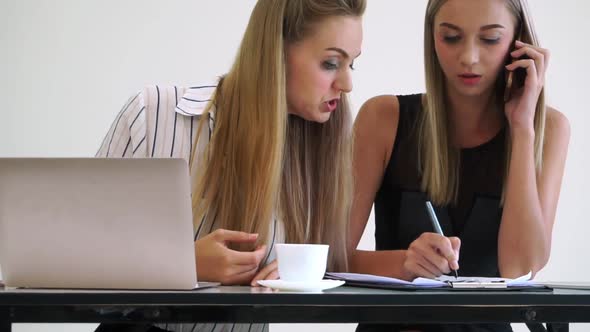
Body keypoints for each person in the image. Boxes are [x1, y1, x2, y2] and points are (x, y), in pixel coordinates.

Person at [94, 0, 365, 331]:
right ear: (274, 52)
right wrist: (185, 264)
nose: (347, 84)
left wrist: (296, 272)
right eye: (331, 63)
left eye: (352, 65)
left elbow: (333, 266)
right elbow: (72, 260)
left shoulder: (322, 152)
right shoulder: (152, 116)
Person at [349, 0, 569, 331]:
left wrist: (522, 128)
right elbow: (329, 258)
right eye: (451, 37)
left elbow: (520, 268)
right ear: (432, 37)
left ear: (518, 43)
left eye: (490, 39)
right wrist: (405, 263)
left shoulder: (547, 130)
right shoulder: (383, 119)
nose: (469, 57)